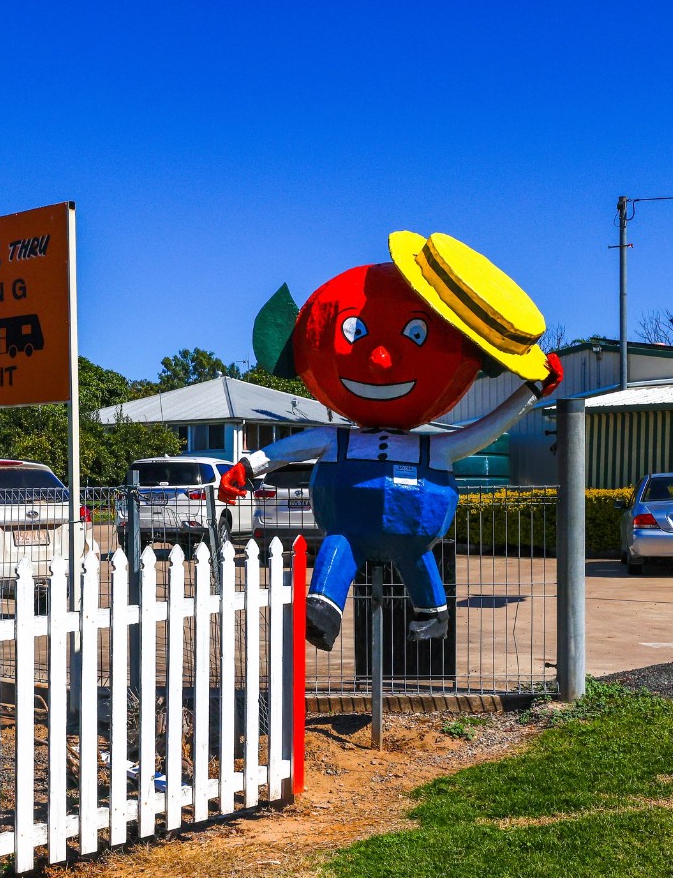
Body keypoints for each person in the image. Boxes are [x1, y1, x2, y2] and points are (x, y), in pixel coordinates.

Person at [217, 232, 562, 650]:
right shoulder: (339, 440)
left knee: (415, 555)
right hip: (349, 526)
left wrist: (530, 392)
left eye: (416, 335)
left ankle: (433, 614)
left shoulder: (434, 448)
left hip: (411, 534)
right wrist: (247, 467)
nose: (380, 360)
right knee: (341, 544)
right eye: (355, 332)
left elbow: (486, 429)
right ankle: (323, 610)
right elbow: (289, 448)